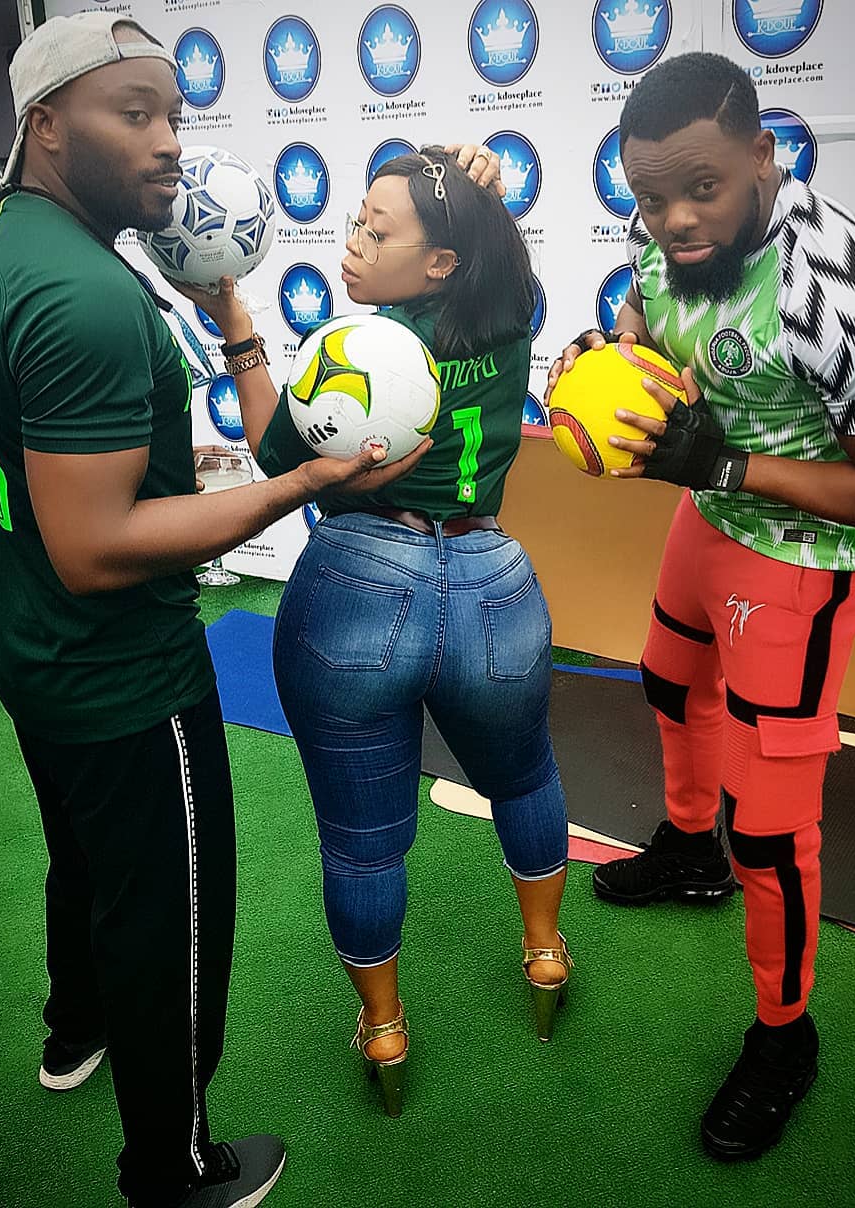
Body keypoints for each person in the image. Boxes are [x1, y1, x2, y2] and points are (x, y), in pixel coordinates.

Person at [0, 13, 424, 1207]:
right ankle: (175, 1169)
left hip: (28, 646)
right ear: (47, 125)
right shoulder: (90, 292)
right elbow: (98, 549)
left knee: (85, 859)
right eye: (133, 113)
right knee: (169, 921)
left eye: (174, 116)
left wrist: (113, 456)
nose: (167, 144)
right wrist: (299, 483)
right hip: (124, 674)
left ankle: (73, 1029)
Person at [547, 51, 855, 1161]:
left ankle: (785, 1033)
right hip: (713, 510)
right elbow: (646, 315)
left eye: (703, 189)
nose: (676, 219)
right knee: (671, 680)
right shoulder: (662, 230)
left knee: (770, 826)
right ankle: (689, 851)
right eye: (651, 198)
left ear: (763, 155)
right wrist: (608, 361)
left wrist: (723, 465)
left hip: (808, 553)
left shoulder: (835, 288)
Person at [174, 146, 571, 1117]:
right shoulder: (509, 311)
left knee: (362, 845)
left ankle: (385, 1028)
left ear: (439, 262)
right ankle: (545, 955)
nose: (351, 243)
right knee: (526, 779)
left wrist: (239, 333)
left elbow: (275, 456)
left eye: (376, 231)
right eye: (355, 221)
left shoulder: (355, 348)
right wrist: (480, 190)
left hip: (358, 584)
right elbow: (500, 254)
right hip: (493, 581)